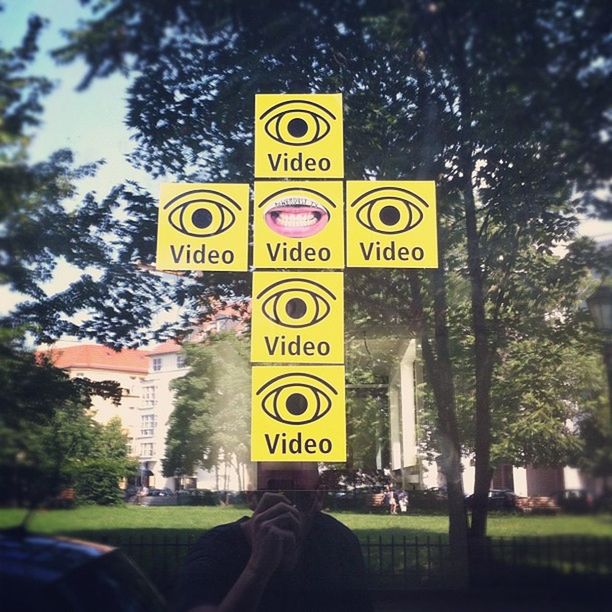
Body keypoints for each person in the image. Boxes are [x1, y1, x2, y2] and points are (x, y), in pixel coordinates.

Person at [174, 463, 374, 612]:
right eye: (272, 493)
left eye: (299, 497)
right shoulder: (216, 548)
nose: (286, 510)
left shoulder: (338, 541)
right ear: (251, 498)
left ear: (319, 497)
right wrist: (258, 568)